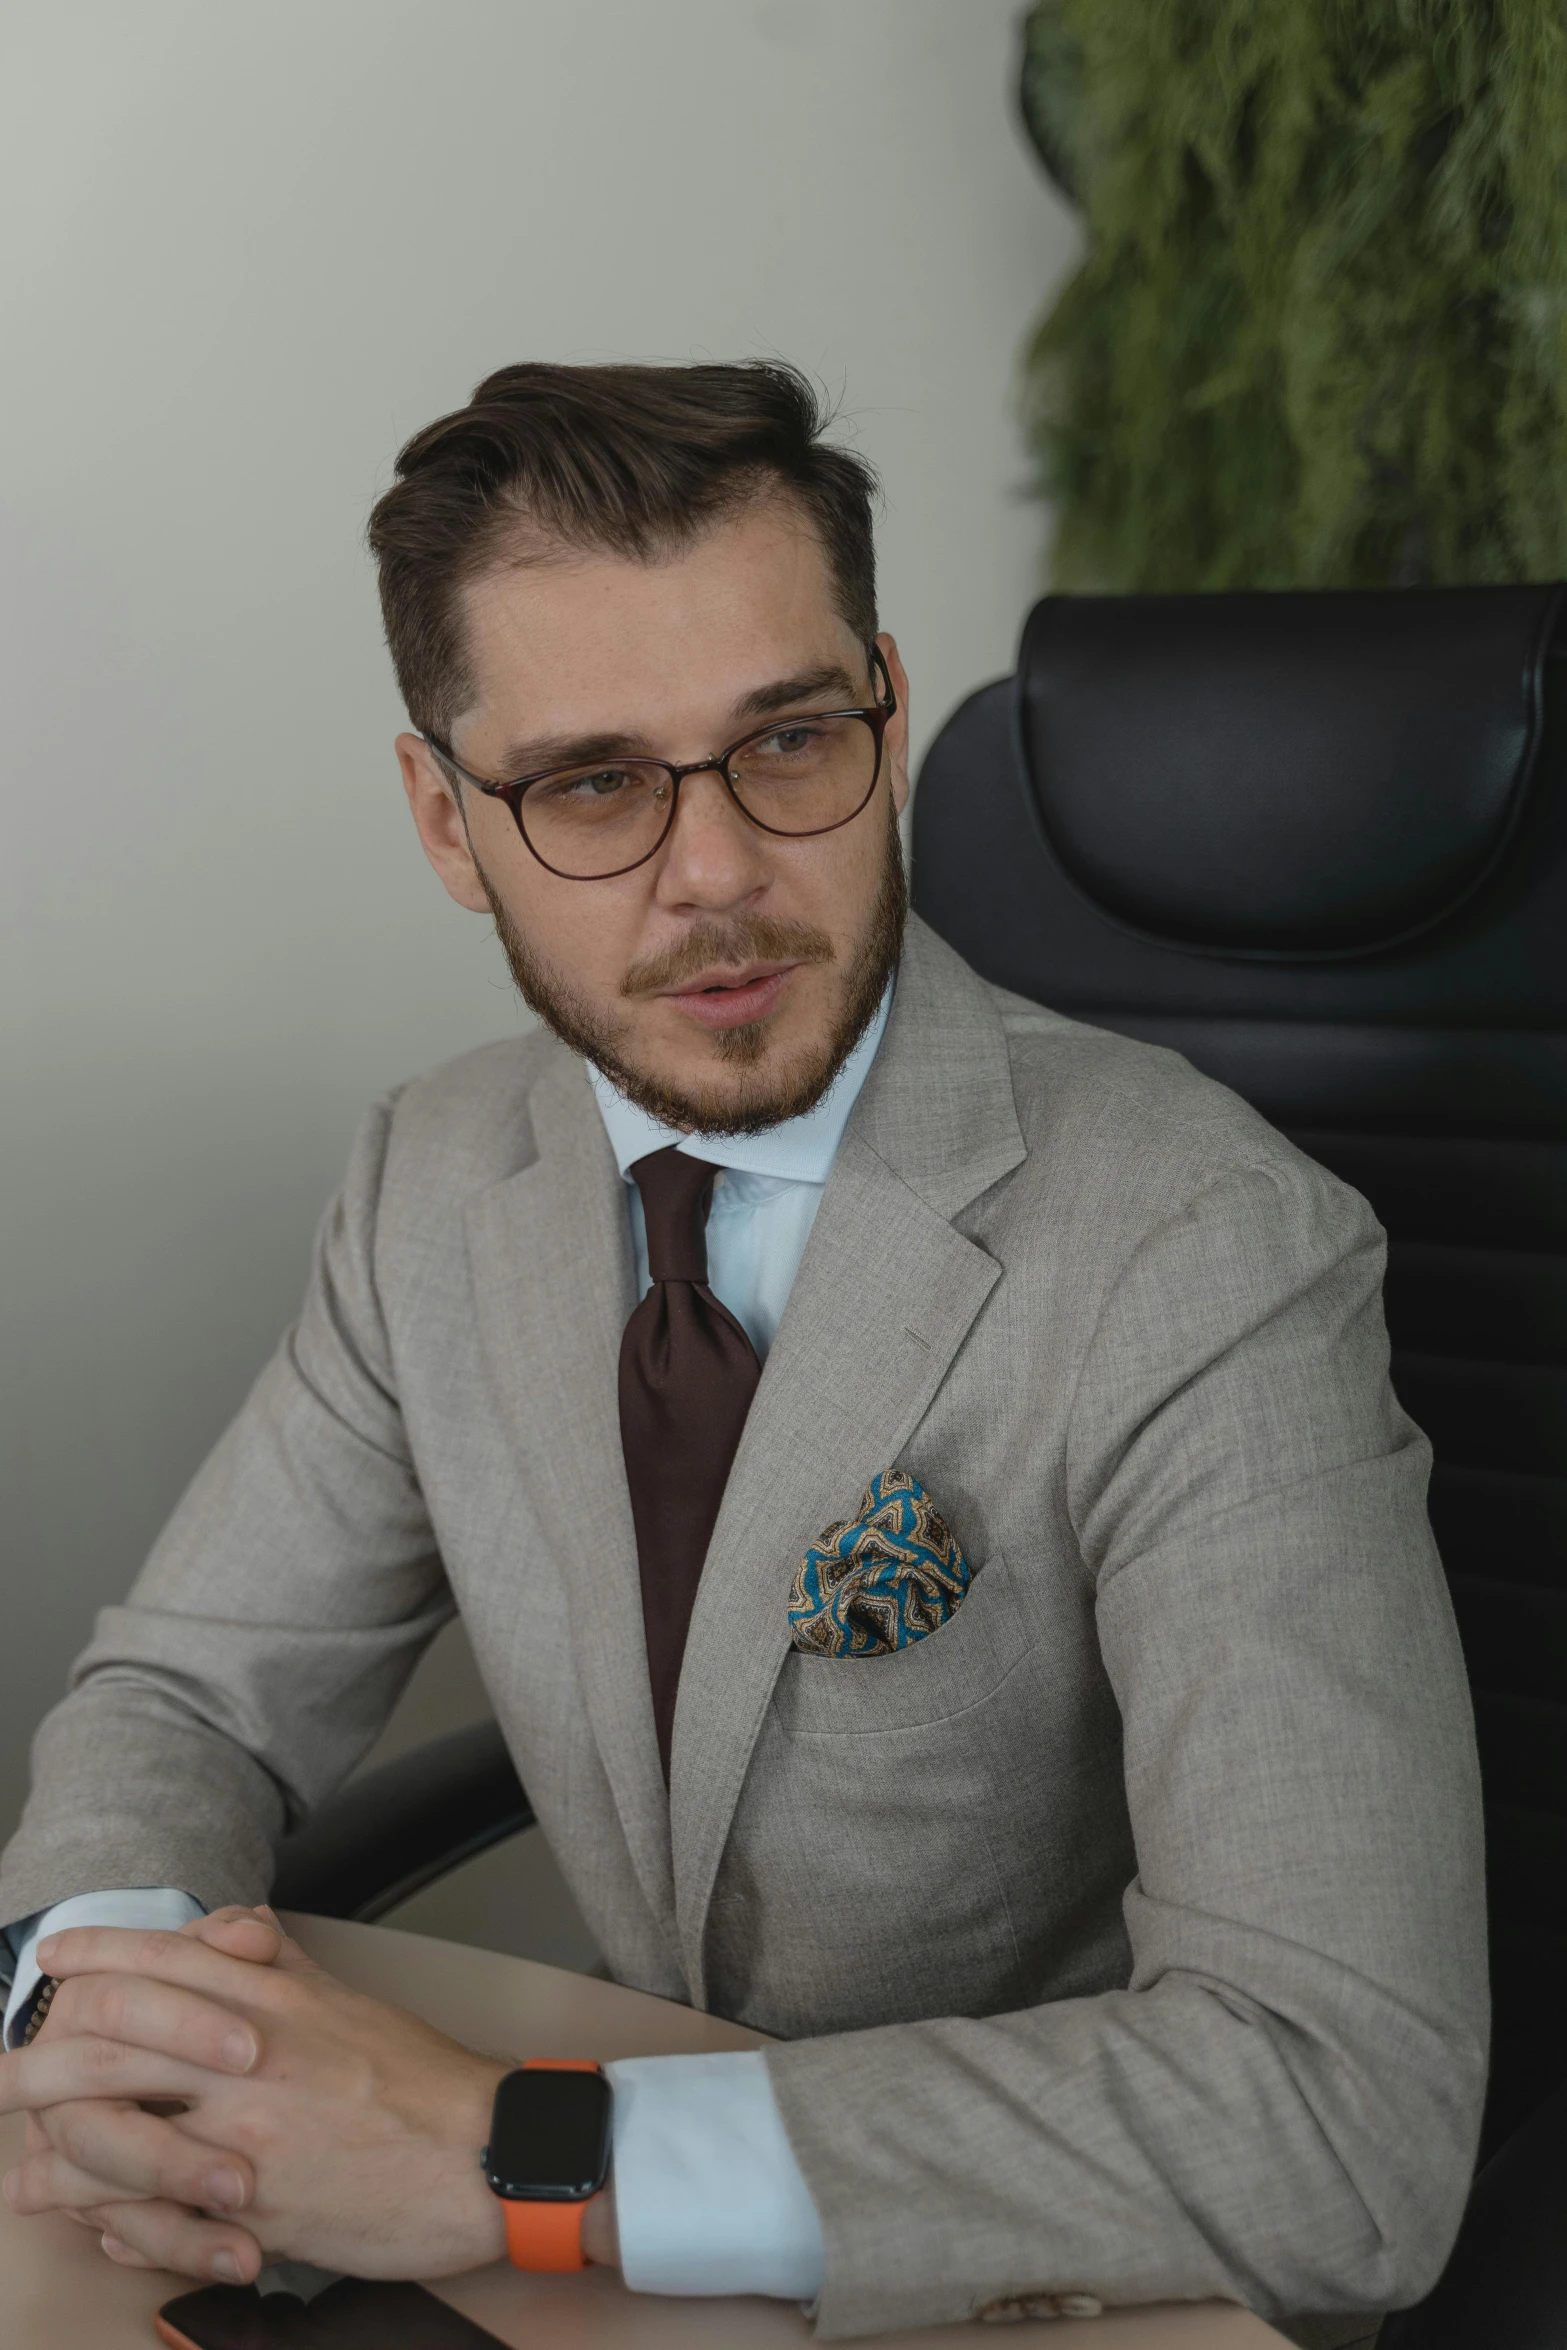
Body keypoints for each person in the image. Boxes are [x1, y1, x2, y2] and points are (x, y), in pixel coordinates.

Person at [0, 362, 1485, 2344]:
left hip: (1053, 2258)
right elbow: (187, 1692)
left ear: (878, 704)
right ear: (448, 820)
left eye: (787, 739)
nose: (716, 874)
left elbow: (1339, 2117)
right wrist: (117, 2014)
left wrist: (511, 2152)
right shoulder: (431, 1176)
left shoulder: (1203, 1248)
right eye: (594, 780)